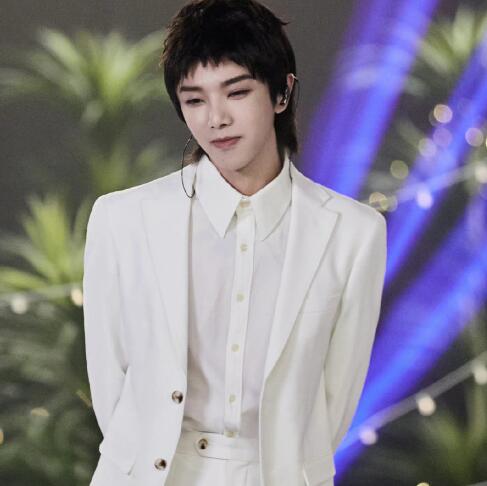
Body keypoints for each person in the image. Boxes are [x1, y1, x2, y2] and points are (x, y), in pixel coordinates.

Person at [82, 1, 387, 485]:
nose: (216, 118)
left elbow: (334, 402)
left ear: (282, 92)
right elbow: (110, 387)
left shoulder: (353, 233)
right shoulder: (122, 220)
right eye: (194, 100)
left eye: (237, 92)